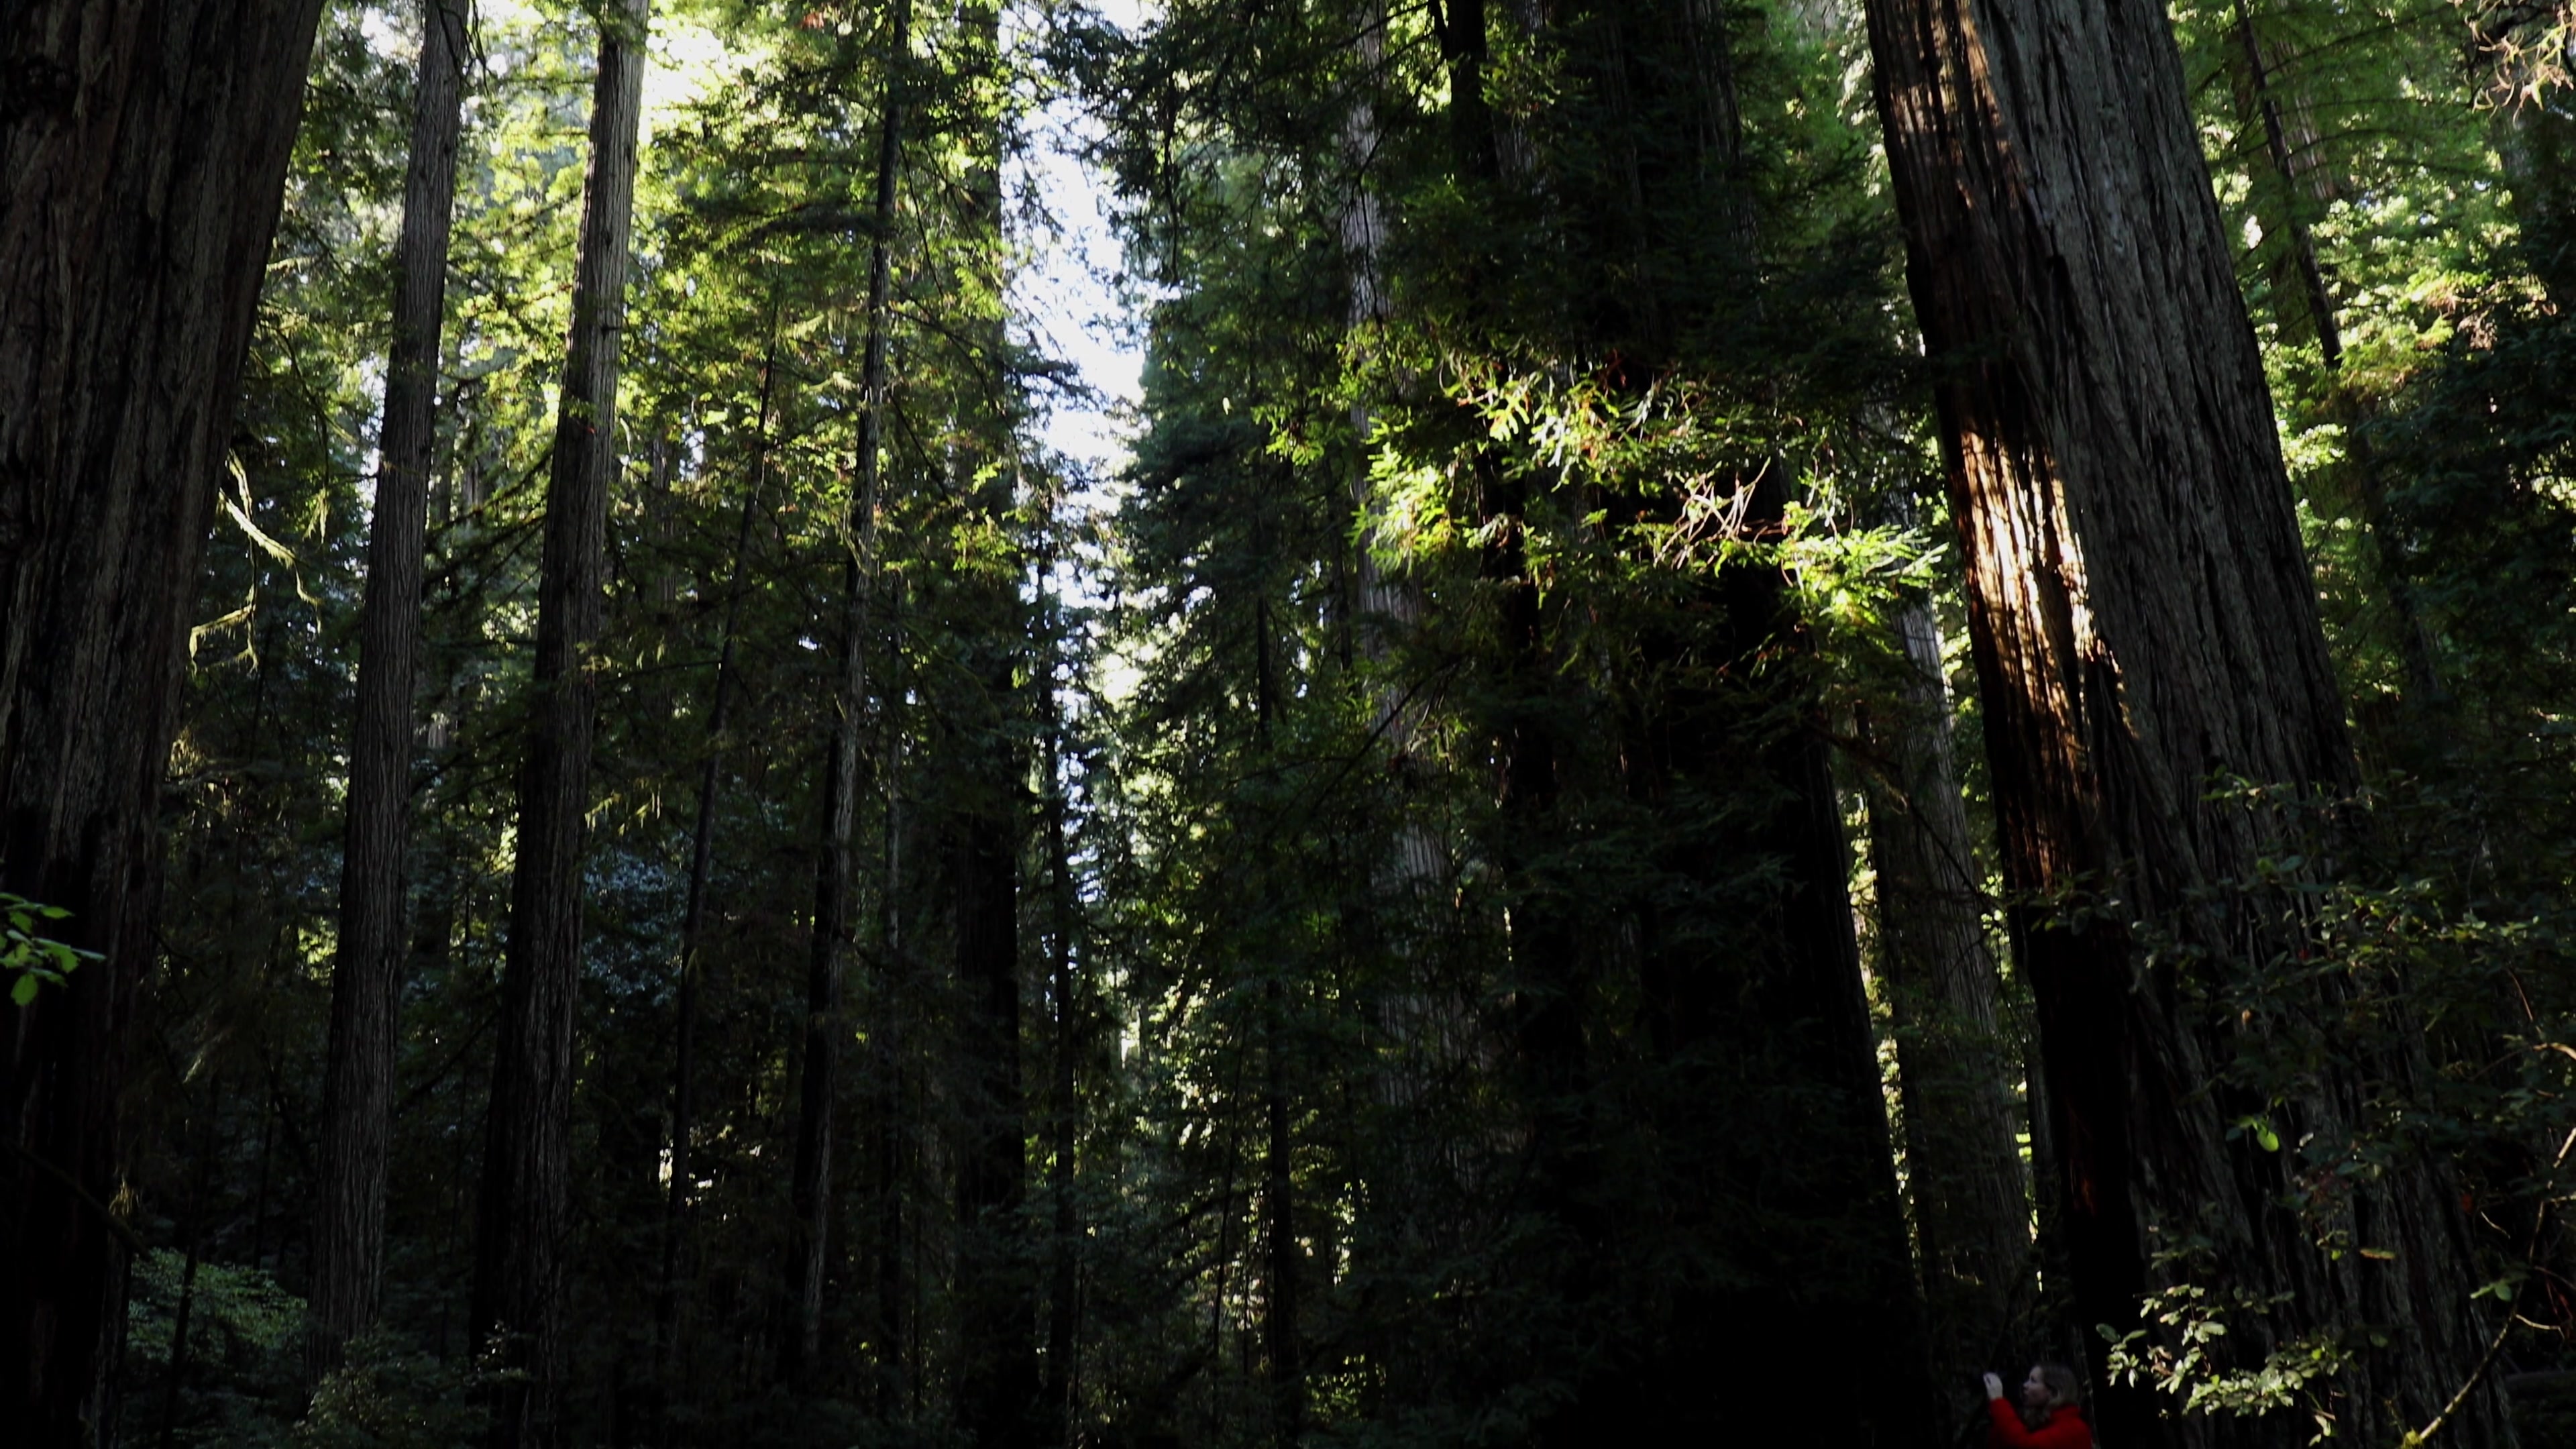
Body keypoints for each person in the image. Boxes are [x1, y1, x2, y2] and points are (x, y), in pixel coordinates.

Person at [1980, 1364, 2091, 1449]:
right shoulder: (2043, 1421)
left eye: (2033, 1381)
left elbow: (2024, 1445)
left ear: (2053, 1392)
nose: (2025, 1385)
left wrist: (1999, 1403)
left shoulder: (2073, 1428)